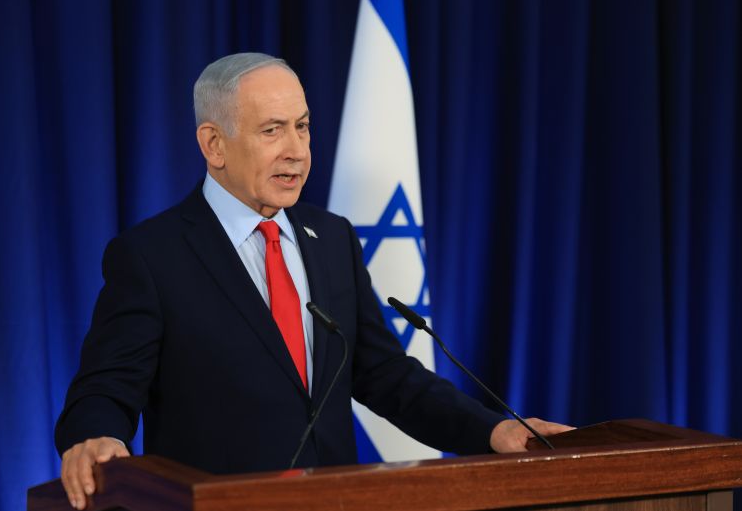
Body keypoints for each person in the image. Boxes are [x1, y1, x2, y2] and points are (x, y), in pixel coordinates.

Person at [55, 53, 571, 510]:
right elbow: (107, 384)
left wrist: (491, 428)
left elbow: (384, 375)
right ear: (214, 144)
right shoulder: (152, 256)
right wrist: (96, 435)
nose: (297, 150)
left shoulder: (330, 237)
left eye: (302, 127)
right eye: (272, 130)